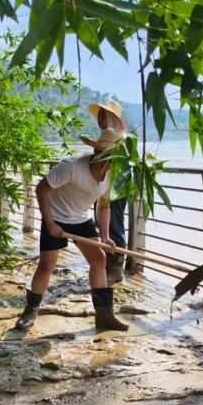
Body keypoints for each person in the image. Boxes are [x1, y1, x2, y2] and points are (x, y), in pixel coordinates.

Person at [14, 127, 129, 333]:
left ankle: (104, 316)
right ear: (101, 154)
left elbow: (103, 206)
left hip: (81, 219)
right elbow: (42, 189)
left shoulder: (112, 175)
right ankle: (30, 311)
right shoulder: (71, 166)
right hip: (55, 216)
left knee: (99, 259)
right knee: (47, 265)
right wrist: (49, 222)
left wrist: (105, 236)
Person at [88, 99, 128, 284]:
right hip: (106, 182)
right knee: (106, 221)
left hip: (117, 184)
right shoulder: (110, 135)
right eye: (99, 115)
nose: (100, 119)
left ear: (112, 118)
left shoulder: (118, 136)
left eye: (103, 115)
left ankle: (116, 267)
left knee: (115, 222)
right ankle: (108, 264)